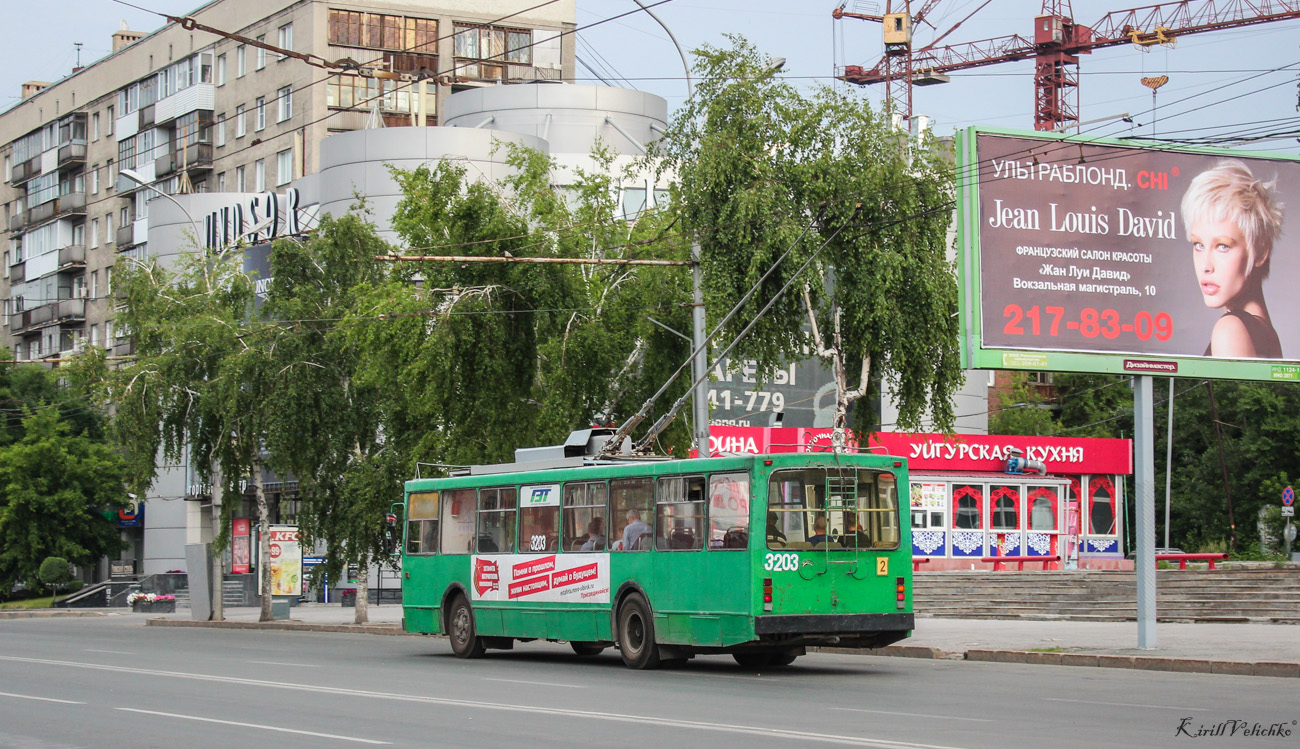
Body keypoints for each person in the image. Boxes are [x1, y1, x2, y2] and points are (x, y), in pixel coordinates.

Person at [1182, 159, 1284, 359]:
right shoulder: (1264, 332)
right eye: (1199, 245)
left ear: (1261, 252)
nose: (1206, 266)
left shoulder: (1230, 329)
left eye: (1223, 246)